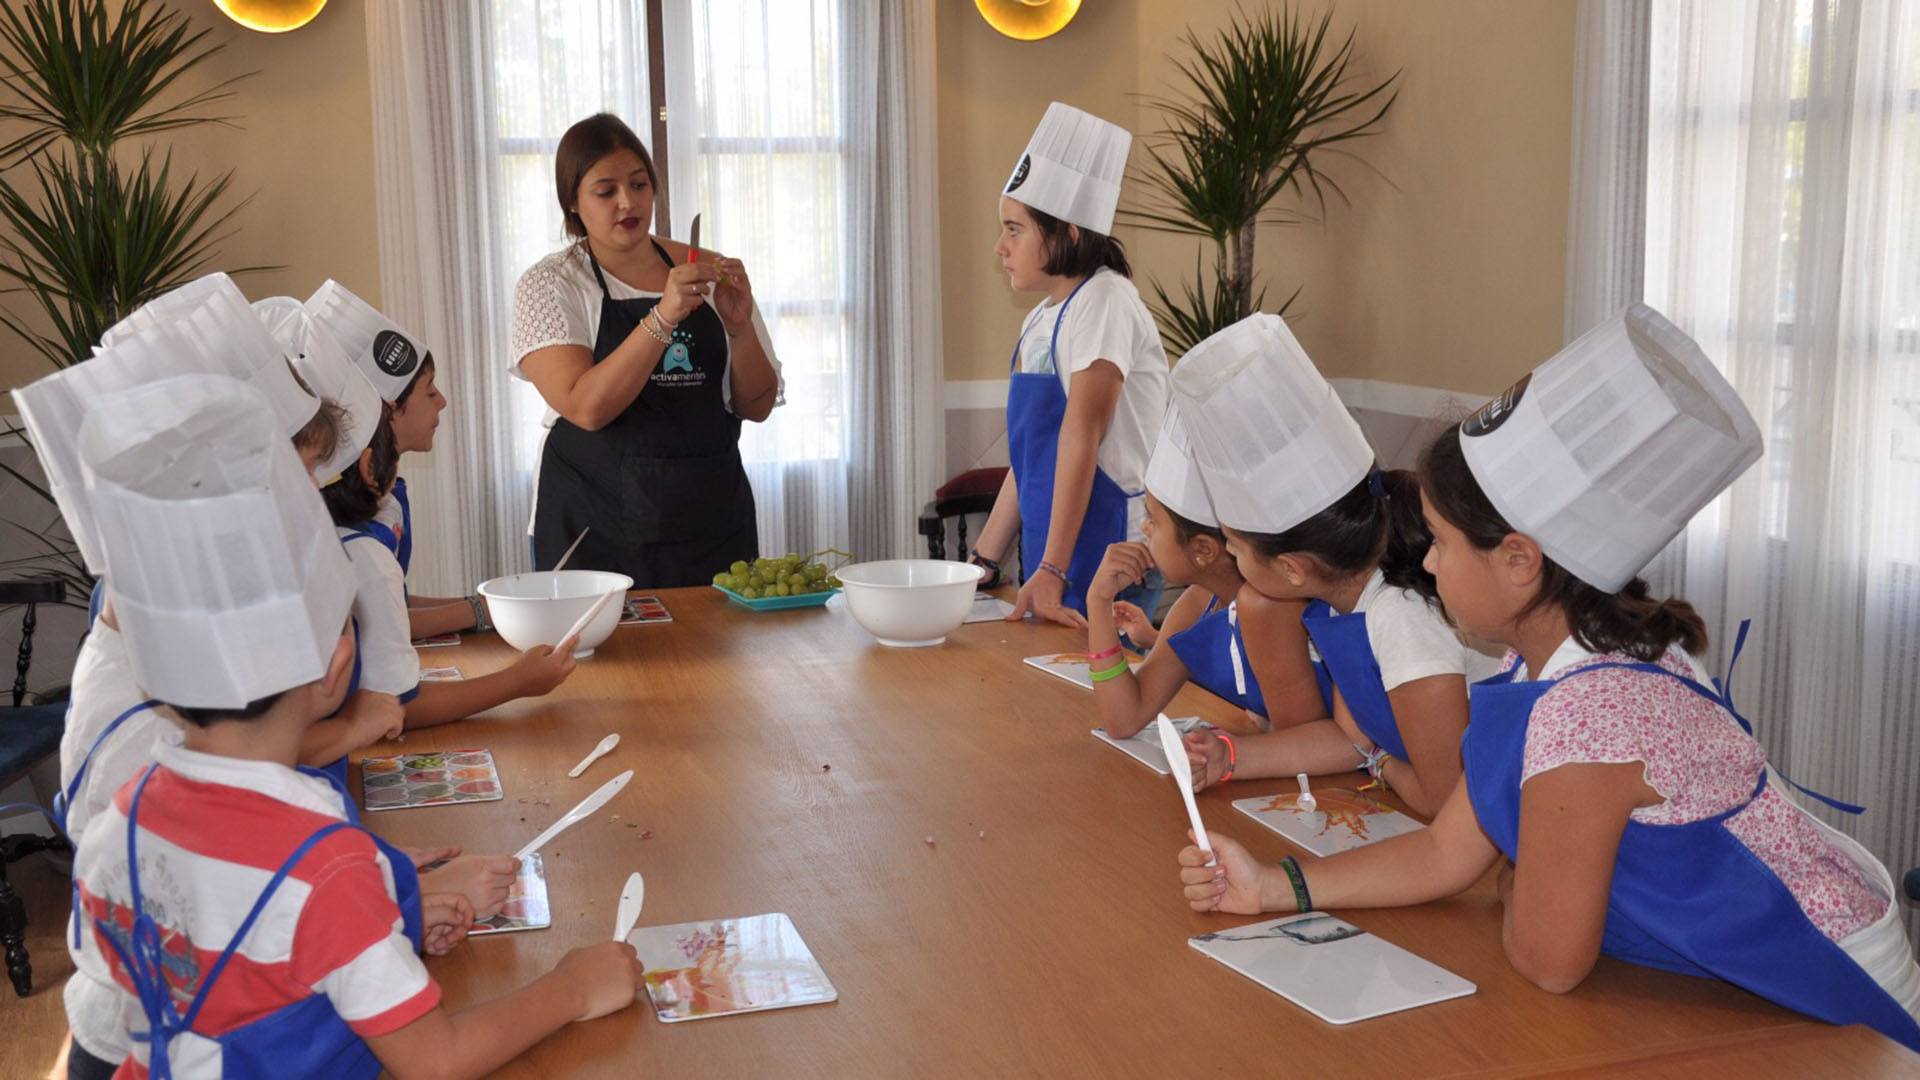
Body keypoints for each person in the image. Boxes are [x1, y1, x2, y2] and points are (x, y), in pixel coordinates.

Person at [1174, 306, 1920, 1050]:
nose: (1426, 563)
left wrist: (1519, 875)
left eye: (1439, 542)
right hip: (1740, 977)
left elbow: (1547, 959)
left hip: (1832, 999)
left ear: (1520, 561)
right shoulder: (1554, 658)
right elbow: (1448, 853)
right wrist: (1275, 886)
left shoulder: (1585, 715)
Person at [68, 374, 647, 1080]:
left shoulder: (120, 819)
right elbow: (436, 1060)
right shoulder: (329, 864)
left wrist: (383, 932)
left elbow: (202, 976)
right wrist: (571, 987)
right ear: (337, 659)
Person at [1169, 314, 1499, 818]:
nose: (1231, 559)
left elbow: (1443, 797)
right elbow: (1349, 738)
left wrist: (1380, 762)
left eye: (1235, 546)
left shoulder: (1400, 617)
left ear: (1293, 568)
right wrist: (1231, 756)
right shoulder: (1339, 601)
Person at [512, 112, 783, 586]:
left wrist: (740, 331)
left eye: (639, 185)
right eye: (606, 190)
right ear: (572, 203)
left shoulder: (706, 269)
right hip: (595, 533)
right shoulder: (550, 285)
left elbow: (757, 406)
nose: (627, 202)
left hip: (713, 527)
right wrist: (663, 316)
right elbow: (586, 407)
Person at [968, 102, 1169, 628]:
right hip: (1053, 551)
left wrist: (1054, 566)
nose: (1000, 247)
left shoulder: (1106, 301)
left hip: (1105, 554)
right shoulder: (1042, 317)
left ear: (1069, 233)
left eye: (1014, 230)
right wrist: (984, 562)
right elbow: (1032, 456)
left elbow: (1083, 433)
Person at [1082, 406, 1326, 739]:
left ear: (1203, 550)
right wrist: (1098, 602)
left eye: (1154, 519)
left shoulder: (1273, 607)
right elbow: (1123, 718)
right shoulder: (1199, 603)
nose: (1144, 527)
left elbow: (1301, 748)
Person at [295, 283, 485, 639]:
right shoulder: (345, 520)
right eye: (429, 390)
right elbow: (376, 623)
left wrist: (478, 605)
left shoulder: (388, 495)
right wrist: (476, 610)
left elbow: (391, 601)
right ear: (387, 411)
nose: (442, 401)